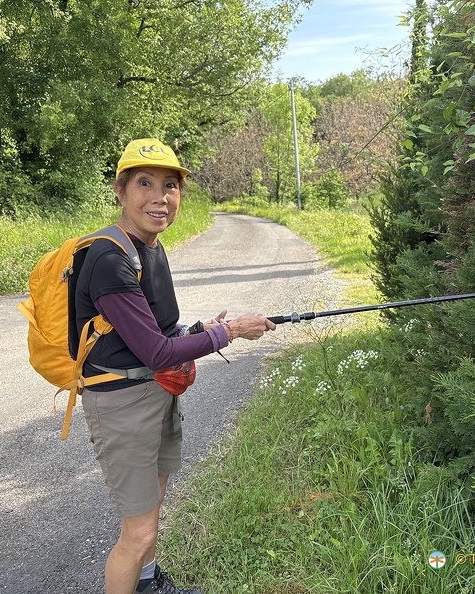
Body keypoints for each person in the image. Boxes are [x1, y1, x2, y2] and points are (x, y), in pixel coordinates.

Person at [75, 138, 275, 594]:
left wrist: (199, 329)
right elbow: (158, 353)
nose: (159, 197)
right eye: (144, 183)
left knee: (155, 506)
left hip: (157, 392)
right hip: (122, 404)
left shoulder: (149, 245)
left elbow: (157, 330)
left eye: (170, 185)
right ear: (120, 191)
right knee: (138, 532)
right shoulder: (110, 258)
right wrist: (231, 332)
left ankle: (148, 583)